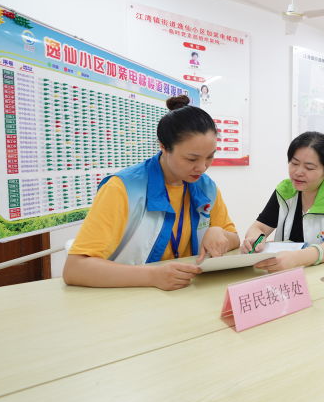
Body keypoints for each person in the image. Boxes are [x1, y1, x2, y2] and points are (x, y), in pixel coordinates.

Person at [63, 95, 239, 290]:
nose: (202, 167)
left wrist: (218, 232)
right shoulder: (121, 188)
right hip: (128, 295)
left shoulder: (206, 186)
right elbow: (75, 269)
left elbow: (235, 239)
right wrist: (153, 276)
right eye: (191, 159)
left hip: (183, 292)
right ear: (163, 147)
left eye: (210, 157)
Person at [240, 131, 324, 271]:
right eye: (294, 163)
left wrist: (297, 258)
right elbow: (259, 227)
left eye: (309, 167)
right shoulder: (285, 190)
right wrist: (255, 240)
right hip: (293, 272)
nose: (298, 172)